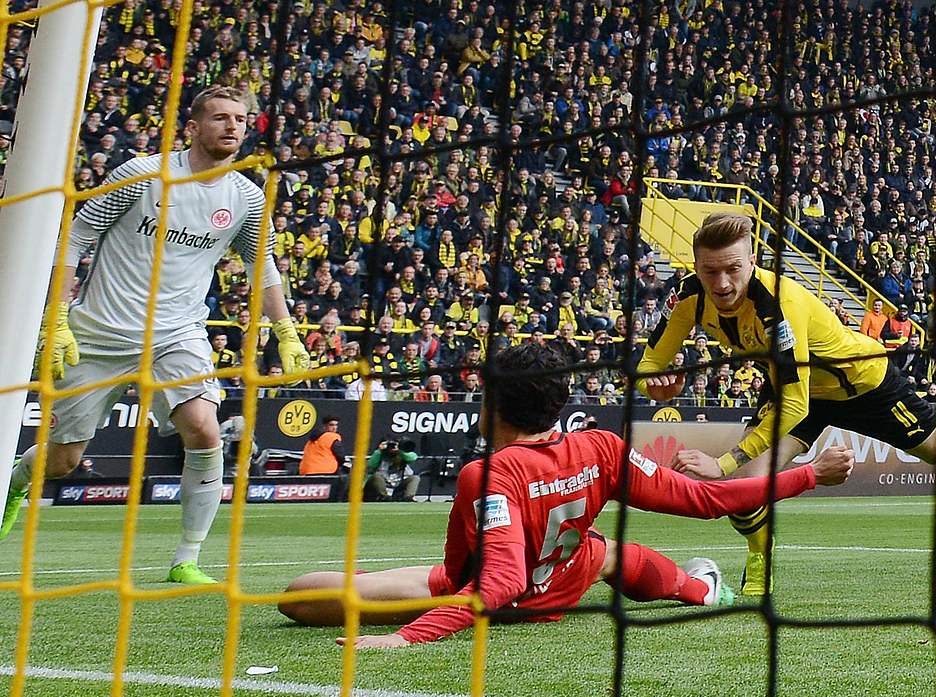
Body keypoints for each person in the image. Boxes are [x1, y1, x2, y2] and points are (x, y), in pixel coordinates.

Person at [277, 343, 854, 648]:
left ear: (494, 405)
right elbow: (709, 500)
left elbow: (498, 583)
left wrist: (405, 637)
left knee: (298, 596)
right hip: (565, 577)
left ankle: (696, 586)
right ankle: (700, 589)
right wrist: (808, 473)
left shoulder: (490, 472)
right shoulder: (601, 448)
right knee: (603, 553)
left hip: (489, 594)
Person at [636, 213, 936, 595]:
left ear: (752, 261)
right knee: (747, 487)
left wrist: (725, 462)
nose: (722, 283)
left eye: (733, 269)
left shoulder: (778, 303)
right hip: (798, 387)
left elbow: (793, 404)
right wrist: (657, 385)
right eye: (710, 272)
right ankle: (761, 561)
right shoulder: (687, 296)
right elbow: (652, 362)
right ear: (695, 265)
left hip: (859, 382)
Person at [1, 86, 309, 584]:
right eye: (219, 118)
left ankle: (186, 558)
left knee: (205, 431)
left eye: (240, 119)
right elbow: (76, 237)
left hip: (177, 334)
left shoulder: (248, 198)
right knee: (63, 459)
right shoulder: (142, 174)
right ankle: (17, 480)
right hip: (98, 335)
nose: (232, 126)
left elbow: (262, 265)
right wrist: (55, 319)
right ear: (192, 127)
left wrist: (287, 331)